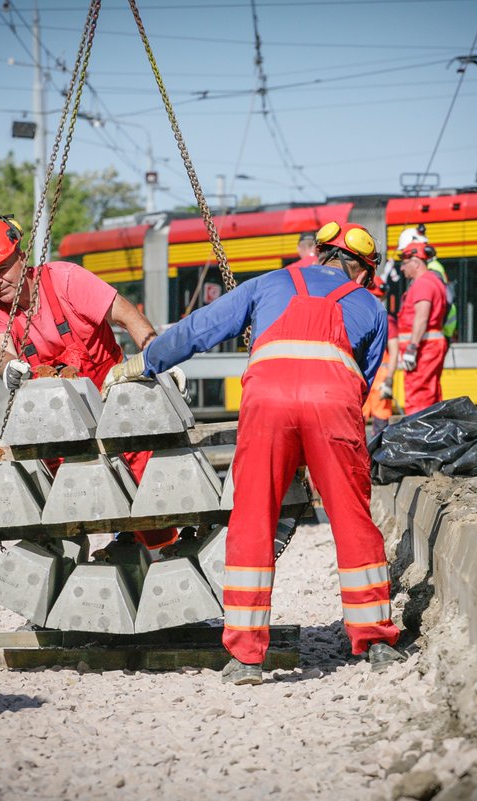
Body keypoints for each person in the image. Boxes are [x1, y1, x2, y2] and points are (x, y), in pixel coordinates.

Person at [104, 220, 406, 684]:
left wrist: (145, 361)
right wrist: (318, 445)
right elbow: (360, 383)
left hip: (266, 405)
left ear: (317, 254)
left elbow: (200, 329)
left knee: (252, 519)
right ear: (363, 272)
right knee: (352, 517)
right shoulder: (369, 306)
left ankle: (246, 657)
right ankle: (376, 642)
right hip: (333, 406)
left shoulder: (268, 283)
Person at [0, 214, 180, 553]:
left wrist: (157, 353)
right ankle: (77, 571)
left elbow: (125, 314)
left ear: (22, 257)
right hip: (58, 429)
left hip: (115, 407)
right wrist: (8, 369)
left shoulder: (66, 281)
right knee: (59, 499)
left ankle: (166, 555)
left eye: (2, 268)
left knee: (143, 482)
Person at [396, 241, 450, 415]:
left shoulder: (422, 284)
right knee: (430, 393)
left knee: (418, 394)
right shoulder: (434, 281)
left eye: (404, 264)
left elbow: (421, 316)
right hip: (429, 346)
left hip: (423, 349)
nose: (402, 269)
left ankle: (418, 436)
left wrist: (412, 347)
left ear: (416, 263)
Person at [362, 277, 398, 434]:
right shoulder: (362, 319)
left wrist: (389, 379)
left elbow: (394, 351)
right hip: (365, 378)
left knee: (380, 422)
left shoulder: (388, 321)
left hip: (379, 380)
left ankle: (376, 456)